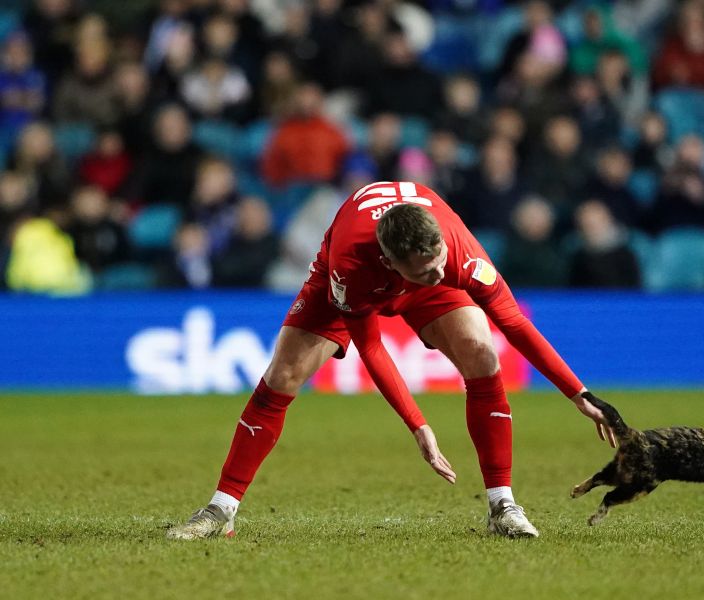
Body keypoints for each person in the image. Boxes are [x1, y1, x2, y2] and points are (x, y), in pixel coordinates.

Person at [167, 181, 615, 541]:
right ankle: (220, 509)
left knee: (481, 349)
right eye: (423, 271)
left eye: (439, 260)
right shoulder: (352, 267)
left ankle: (502, 505)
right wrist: (418, 425)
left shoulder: (454, 252)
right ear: (391, 263)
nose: (438, 274)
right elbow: (373, 347)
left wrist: (578, 393)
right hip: (340, 281)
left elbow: (514, 322)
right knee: (283, 374)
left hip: (417, 264)